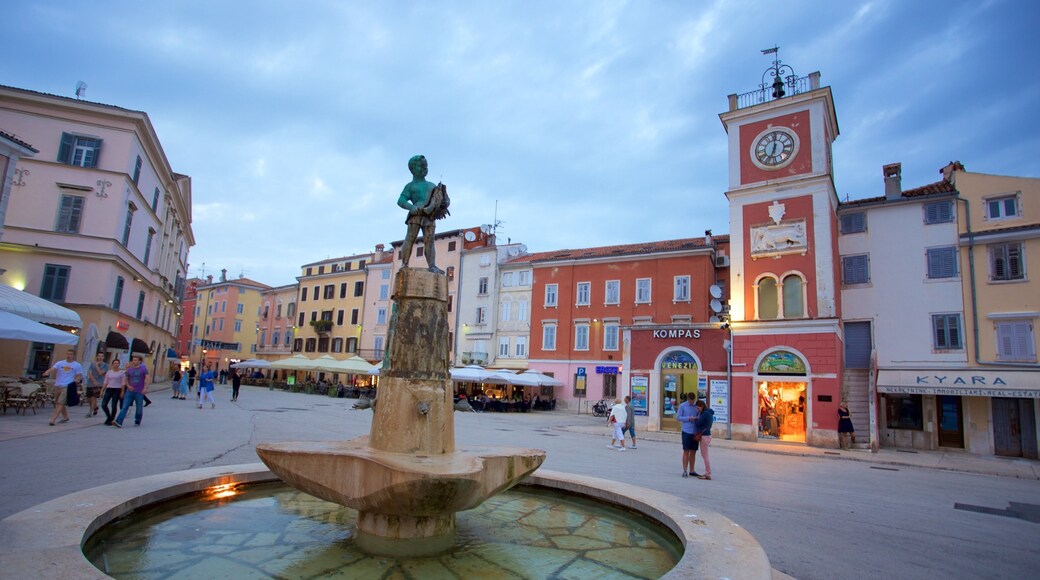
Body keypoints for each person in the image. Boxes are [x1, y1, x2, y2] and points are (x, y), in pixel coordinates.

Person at [397, 155, 450, 273]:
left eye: (425, 166)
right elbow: (400, 200)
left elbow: (439, 201)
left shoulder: (432, 185)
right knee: (410, 239)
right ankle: (404, 264)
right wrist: (410, 207)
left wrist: (444, 201)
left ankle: (432, 265)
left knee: (430, 241)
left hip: (429, 216)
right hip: (415, 215)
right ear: (412, 169)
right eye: (421, 166)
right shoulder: (410, 186)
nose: (424, 168)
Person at [43, 349, 84, 426]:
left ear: (73, 355)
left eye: (70, 354)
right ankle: (65, 417)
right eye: (68, 354)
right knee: (58, 402)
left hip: (67, 386)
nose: (69, 356)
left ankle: (53, 419)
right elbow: (53, 368)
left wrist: (75, 381)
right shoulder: (60, 363)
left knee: (60, 402)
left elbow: (79, 375)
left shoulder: (77, 365)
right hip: (58, 385)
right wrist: (47, 372)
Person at [114, 355, 149, 427]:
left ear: (139, 361)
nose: (134, 361)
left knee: (139, 407)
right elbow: (126, 378)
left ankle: (137, 420)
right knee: (125, 406)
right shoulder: (129, 370)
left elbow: (147, 378)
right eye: (133, 360)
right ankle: (119, 421)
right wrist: (128, 385)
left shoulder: (143, 369)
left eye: (136, 360)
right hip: (130, 390)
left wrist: (145, 388)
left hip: (139, 391)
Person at [676, 392, 701, 477]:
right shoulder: (682, 406)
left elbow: (700, 415)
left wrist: (698, 418)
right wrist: (688, 418)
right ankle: (685, 470)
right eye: (690, 400)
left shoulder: (696, 406)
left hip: (694, 432)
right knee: (686, 451)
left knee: (693, 451)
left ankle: (692, 470)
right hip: (686, 431)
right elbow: (678, 417)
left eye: (693, 400)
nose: (691, 402)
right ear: (688, 399)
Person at [101, 358, 128, 425]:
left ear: (119, 364)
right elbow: (105, 382)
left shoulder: (121, 373)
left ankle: (112, 419)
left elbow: (123, 383)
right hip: (109, 388)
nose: (116, 365)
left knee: (114, 405)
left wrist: (122, 392)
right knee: (104, 404)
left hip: (117, 389)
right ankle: (109, 416)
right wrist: (102, 390)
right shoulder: (109, 372)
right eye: (115, 363)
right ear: (112, 364)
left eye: (117, 363)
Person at [693, 400, 715, 480]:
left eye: (698, 408)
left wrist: (696, 418)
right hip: (708, 435)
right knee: (705, 455)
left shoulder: (704, 414)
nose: (698, 410)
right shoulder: (709, 413)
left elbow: (698, 423)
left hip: (704, 436)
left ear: (701, 406)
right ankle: (707, 473)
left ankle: (708, 473)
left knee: (705, 456)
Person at [85, 352, 107, 418]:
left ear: (103, 357)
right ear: (97, 357)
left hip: (99, 383)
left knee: (94, 398)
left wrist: (97, 365)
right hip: (90, 383)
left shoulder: (105, 365)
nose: (100, 357)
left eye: (101, 356)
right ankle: (95, 407)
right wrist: (93, 381)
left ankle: (90, 412)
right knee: (88, 398)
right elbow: (89, 373)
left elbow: (101, 373)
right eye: (99, 356)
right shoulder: (92, 364)